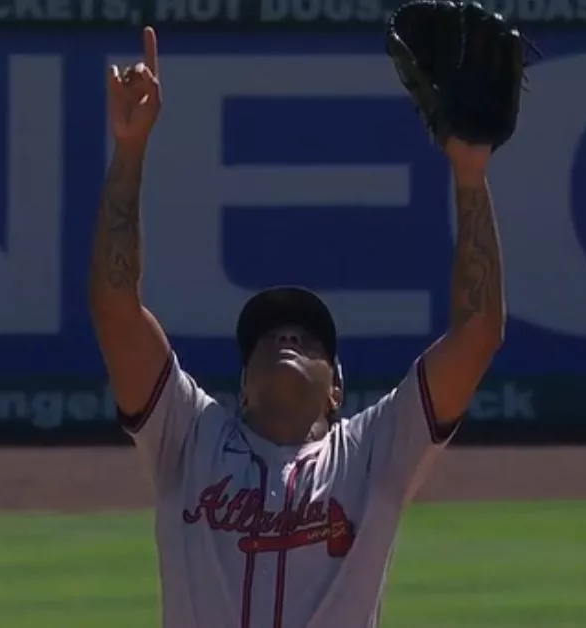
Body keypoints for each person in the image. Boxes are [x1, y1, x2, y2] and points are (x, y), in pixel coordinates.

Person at [88, 26, 505, 628]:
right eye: (267, 337)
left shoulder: (372, 454)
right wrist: (128, 150)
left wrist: (470, 175)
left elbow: (478, 333)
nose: (285, 338)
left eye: (308, 339)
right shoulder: (189, 436)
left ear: (337, 389)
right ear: (242, 385)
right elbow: (114, 304)